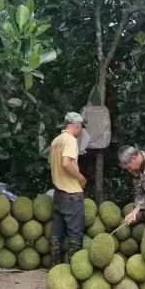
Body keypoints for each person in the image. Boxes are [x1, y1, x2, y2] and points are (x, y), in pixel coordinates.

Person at [49, 112, 87, 264]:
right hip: (72, 194)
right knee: (75, 235)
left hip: (58, 193)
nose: (82, 130)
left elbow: (54, 164)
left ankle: (55, 266)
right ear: (76, 126)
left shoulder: (56, 141)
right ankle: (74, 270)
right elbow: (65, 163)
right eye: (81, 127)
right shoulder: (70, 140)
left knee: (56, 234)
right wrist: (81, 177)